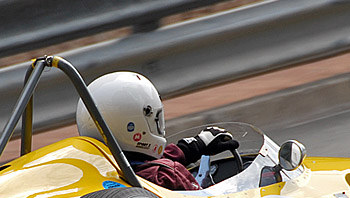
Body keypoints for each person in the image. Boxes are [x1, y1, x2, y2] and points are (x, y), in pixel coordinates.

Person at [76, 71, 237, 191]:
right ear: (134, 127)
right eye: (156, 118)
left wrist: (192, 147)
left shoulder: (86, 171)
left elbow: (137, 165)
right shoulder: (168, 177)